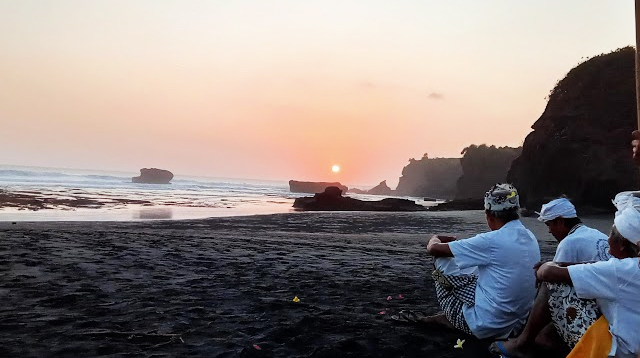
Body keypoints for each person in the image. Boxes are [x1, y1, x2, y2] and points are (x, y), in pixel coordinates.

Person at [489, 198, 611, 357]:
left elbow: (552, 281)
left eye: (549, 224)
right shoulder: (595, 234)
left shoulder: (569, 243)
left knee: (542, 337)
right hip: (607, 307)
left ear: (560, 222)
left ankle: (523, 344)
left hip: (601, 316)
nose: (549, 231)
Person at [424, 183, 541, 339]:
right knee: (481, 270)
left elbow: (434, 249)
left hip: (487, 327)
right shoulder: (530, 237)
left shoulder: (491, 240)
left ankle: (454, 314)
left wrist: (434, 238)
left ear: (489, 215)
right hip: (517, 324)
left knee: (440, 263)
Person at [535, 205, 640, 358]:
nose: (608, 240)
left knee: (554, 284)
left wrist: (544, 267)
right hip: (634, 341)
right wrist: (567, 265)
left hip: (621, 349)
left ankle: (526, 342)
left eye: (611, 235)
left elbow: (548, 273)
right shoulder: (632, 265)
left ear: (623, 244)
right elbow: (598, 267)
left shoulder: (619, 270)